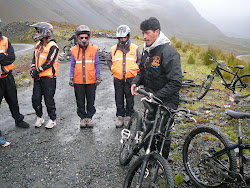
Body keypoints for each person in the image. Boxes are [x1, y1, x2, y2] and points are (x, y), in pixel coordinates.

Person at [131, 17, 182, 159]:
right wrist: (135, 82)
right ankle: (150, 156)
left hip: (167, 101)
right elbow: (142, 70)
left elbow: (176, 82)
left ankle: (161, 162)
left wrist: (157, 96)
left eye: (147, 33)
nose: (144, 37)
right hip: (151, 97)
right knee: (149, 126)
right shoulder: (147, 50)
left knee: (162, 132)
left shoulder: (169, 53)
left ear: (157, 32)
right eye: (142, 33)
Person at [107, 25, 141, 128]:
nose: (122, 39)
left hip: (130, 78)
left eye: (124, 37)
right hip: (118, 78)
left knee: (130, 98)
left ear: (128, 36)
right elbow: (109, 61)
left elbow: (139, 60)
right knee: (118, 98)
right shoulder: (114, 49)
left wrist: (135, 70)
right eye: (120, 37)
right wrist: (114, 70)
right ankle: (120, 117)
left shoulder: (134, 48)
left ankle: (128, 116)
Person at [0, 18, 30, 131]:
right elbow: (6, 58)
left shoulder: (5, 40)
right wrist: (4, 57)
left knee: (13, 100)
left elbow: (11, 58)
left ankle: (18, 120)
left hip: (8, 77)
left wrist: (2, 58)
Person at [69, 25, 101, 128]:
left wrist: (98, 76)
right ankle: (82, 118)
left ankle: (89, 118)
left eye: (85, 37)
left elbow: (97, 63)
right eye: (81, 37)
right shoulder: (73, 50)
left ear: (89, 37)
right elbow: (72, 64)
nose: (83, 39)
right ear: (77, 37)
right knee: (80, 100)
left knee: (91, 100)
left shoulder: (94, 49)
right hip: (78, 80)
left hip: (91, 80)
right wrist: (71, 77)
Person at [29, 22, 59, 129]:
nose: (37, 33)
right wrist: (33, 68)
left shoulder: (53, 46)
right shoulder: (38, 45)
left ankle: (52, 119)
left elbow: (49, 62)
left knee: (48, 99)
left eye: (38, 31)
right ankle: (39, 117)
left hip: (49, 78)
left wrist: (37, 70)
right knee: (36, 99)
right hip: (38, 77)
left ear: (45, 32)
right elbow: (34, 58)